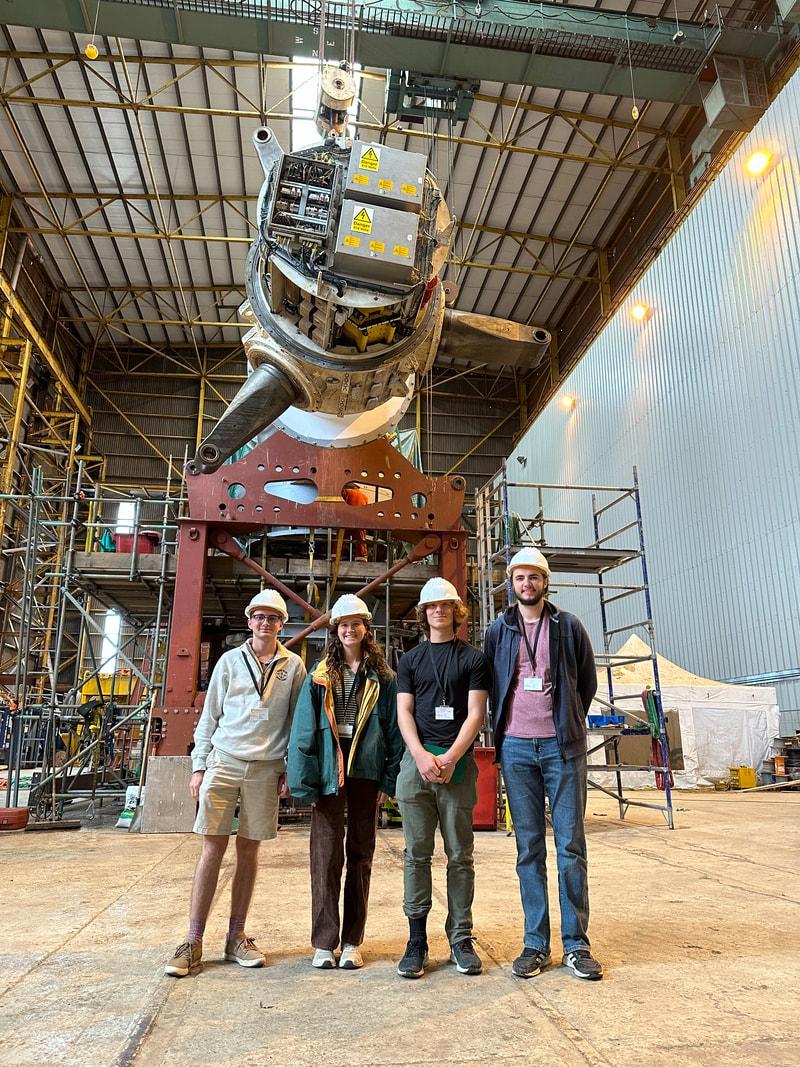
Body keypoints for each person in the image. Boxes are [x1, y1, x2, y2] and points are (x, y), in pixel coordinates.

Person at [164, 589, 306, 977]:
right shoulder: (229, 662)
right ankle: (192, 941)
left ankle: (236, 938)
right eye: (259, 617)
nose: (265, 623)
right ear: (249, 621)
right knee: (212, 849)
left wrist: (289, 768)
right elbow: (209, 716)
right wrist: (199, 766)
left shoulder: (293, 667)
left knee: (249, 853)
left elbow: (296, 723)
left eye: (273, 618)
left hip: (265, 769)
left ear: (281, 623)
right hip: (224, 763)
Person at [483, 547, 603, 981]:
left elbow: (584, 683)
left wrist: (565, 723)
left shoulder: (568, 627)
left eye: (534, 578)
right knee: (528, 848)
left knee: (570, 845)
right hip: (516, 748)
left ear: (545, 582)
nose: (526, 585)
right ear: (511, 583)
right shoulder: (499, 630)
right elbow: (496, 684)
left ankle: (576, 945)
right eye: (520, 578)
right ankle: (536, 943)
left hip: (561, 749)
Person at [287, 594, 402, 969]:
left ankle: (352, 941)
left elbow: (394, 730)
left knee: (361, 855)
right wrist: (303, 781)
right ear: (335, 631)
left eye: (356, 623)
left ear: (366, 629)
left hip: (366, 770)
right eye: (343, 625)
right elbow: (303, 729)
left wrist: (390, 778)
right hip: (327, 773)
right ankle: (324, 942)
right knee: (325, 856)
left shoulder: (383, 677)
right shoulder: (319, 675)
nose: (350, 630)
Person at [394, 577, 490, 979]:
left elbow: (475, 713)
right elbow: (404, 712)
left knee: (460, 856)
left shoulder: (473, 659)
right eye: (432, 606)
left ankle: (460, 938)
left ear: (456, 611)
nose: (439, 611)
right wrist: (419, 755)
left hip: (457, 766)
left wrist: (451, 757)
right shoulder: (410, 660)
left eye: (446, 605)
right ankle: (417, 939)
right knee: (416, 855)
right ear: (424, 613)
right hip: (417, 767)